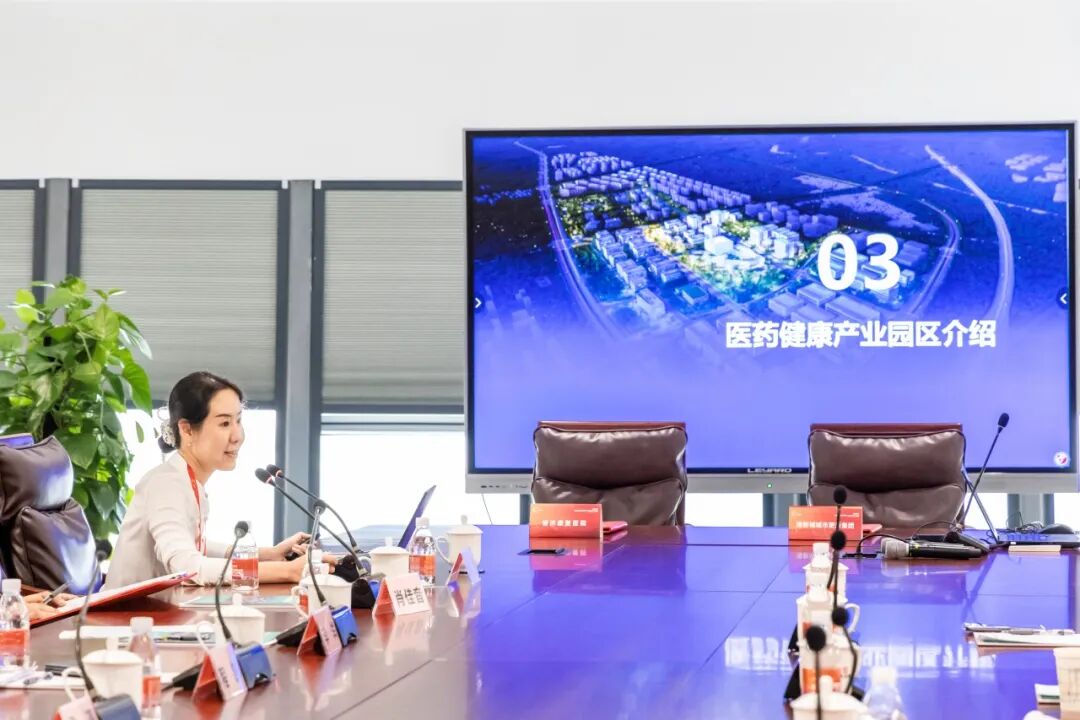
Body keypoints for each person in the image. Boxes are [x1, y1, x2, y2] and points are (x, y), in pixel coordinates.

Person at [105, 371, 311, 589]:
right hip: (127, 611)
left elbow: (193, 545)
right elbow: (188, 566)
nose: (237, 436)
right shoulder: (166, 485)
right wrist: (288, 571)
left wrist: (269, 554)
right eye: (225, 423)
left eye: (238, 420)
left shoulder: (186, 480)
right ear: (186, 430)